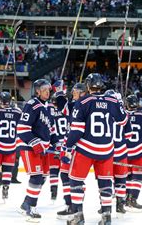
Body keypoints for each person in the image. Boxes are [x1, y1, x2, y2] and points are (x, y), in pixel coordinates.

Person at [65, 73, 129, 225]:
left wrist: (67, 146)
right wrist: (119, 105)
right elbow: (124, 121)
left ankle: (78, 216)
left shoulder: (83, 101)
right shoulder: (113, 101)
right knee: (105, 183)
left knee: (76, 181)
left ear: (88, 86)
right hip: (106, 150)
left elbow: (77, 131)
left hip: (85, 149)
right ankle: (106, 217)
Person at [16, 78, 54, 222]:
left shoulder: (48, 107)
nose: (47, 92)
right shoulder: (32, 105)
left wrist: (57, 145)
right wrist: (35, 142)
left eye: (48, 89)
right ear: (37, 91)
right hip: (30, 147)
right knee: (37, 177)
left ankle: (26, 203)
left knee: (43, 177)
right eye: (44, 89)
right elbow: (22, 128)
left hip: (43, 148)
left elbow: (52, 130)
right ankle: (31, 208)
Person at [54, 82, 87, 220]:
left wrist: (59, 92)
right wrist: (59, 92)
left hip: (76, 146)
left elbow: (62, 104)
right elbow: (62, 105)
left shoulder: (82, 105)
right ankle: (71, 205)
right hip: (70, 145)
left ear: (82, 93)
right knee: (65, 175)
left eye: (75, 92)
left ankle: (76, 207)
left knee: (75, 178)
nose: (73, 94)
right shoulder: (77, 104)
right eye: (72, 92)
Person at [105, 89, 132, 218]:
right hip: (120, 152)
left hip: (105, 151)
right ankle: (120, 206)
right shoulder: (124, 114)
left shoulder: (103, 112)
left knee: (105, 180)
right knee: (121, 179)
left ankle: (105, 206)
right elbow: (128, 135)